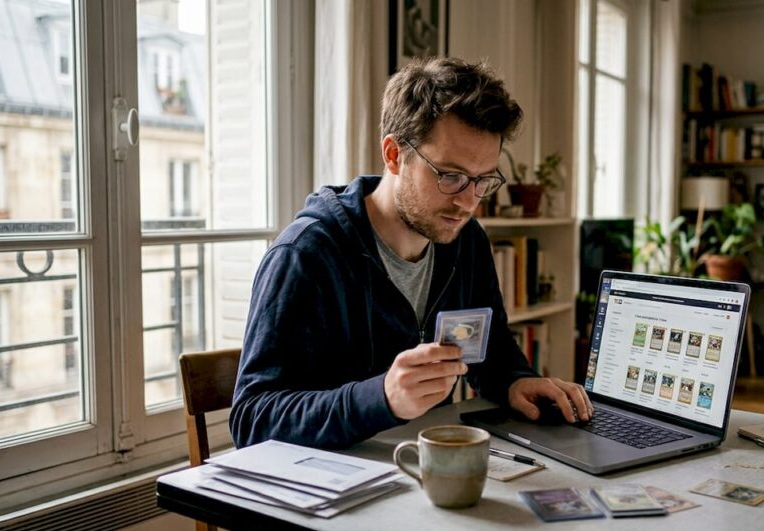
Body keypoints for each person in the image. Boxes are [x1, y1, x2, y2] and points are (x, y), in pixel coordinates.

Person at [230, 57, 592, 449]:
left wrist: (516, 379)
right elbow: (252, 419)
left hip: (422, 470)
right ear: (393, 155)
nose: (469, 203)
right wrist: (381, 398)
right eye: (450, 176)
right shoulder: (305, 256)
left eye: (483, 180)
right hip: (330, 486)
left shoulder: (466, 241)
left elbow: (490, 349)